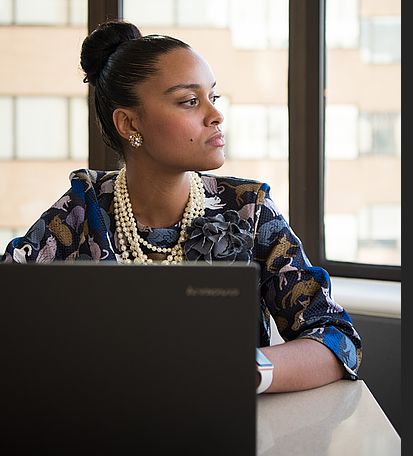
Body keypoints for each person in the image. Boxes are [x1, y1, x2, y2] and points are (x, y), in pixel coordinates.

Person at [2, 19, 362, 393]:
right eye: (190, 101)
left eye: (213, 97)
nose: (215, 114)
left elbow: (338, 341)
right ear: (128, 123)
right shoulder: (82, 210)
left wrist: (239, 370)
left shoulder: (248, 209)